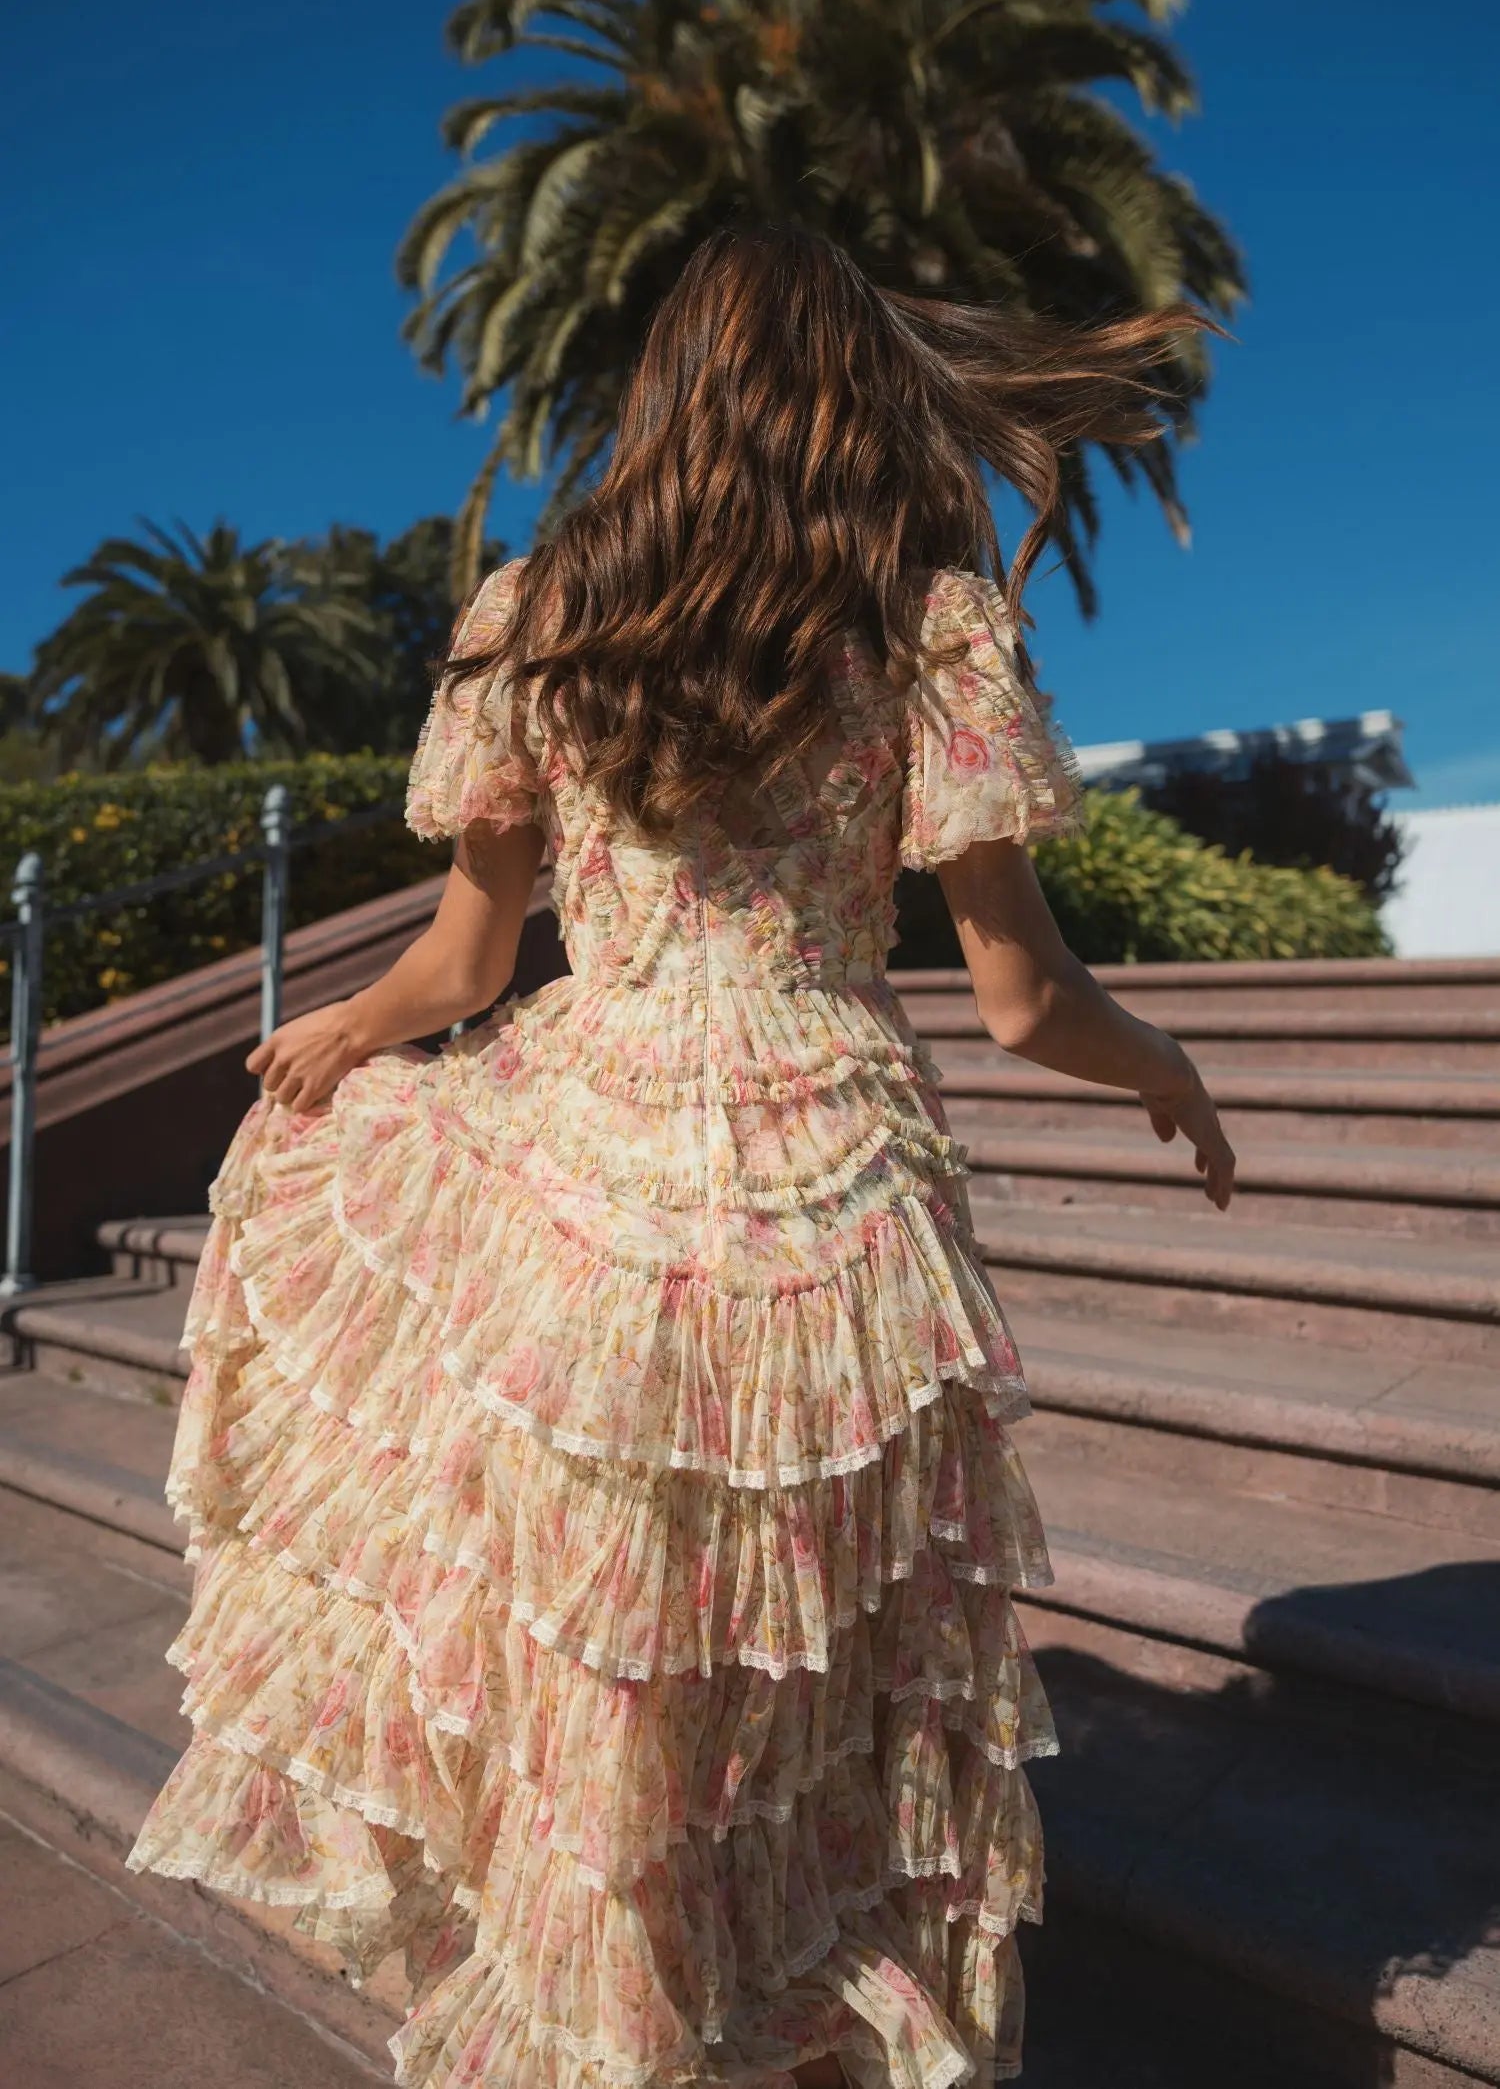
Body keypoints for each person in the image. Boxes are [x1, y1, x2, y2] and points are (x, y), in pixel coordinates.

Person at [126, 226, 1234, 2089]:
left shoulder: (539, 611)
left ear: (666, 390)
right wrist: (1171, 1065)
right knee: (798, 1695)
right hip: (834, 1215)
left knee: (612, 1693)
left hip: (583, 1183)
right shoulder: (927, 618)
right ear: (859, 387)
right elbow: (1028, 1000)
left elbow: (473, 961)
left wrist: (349, 1029)